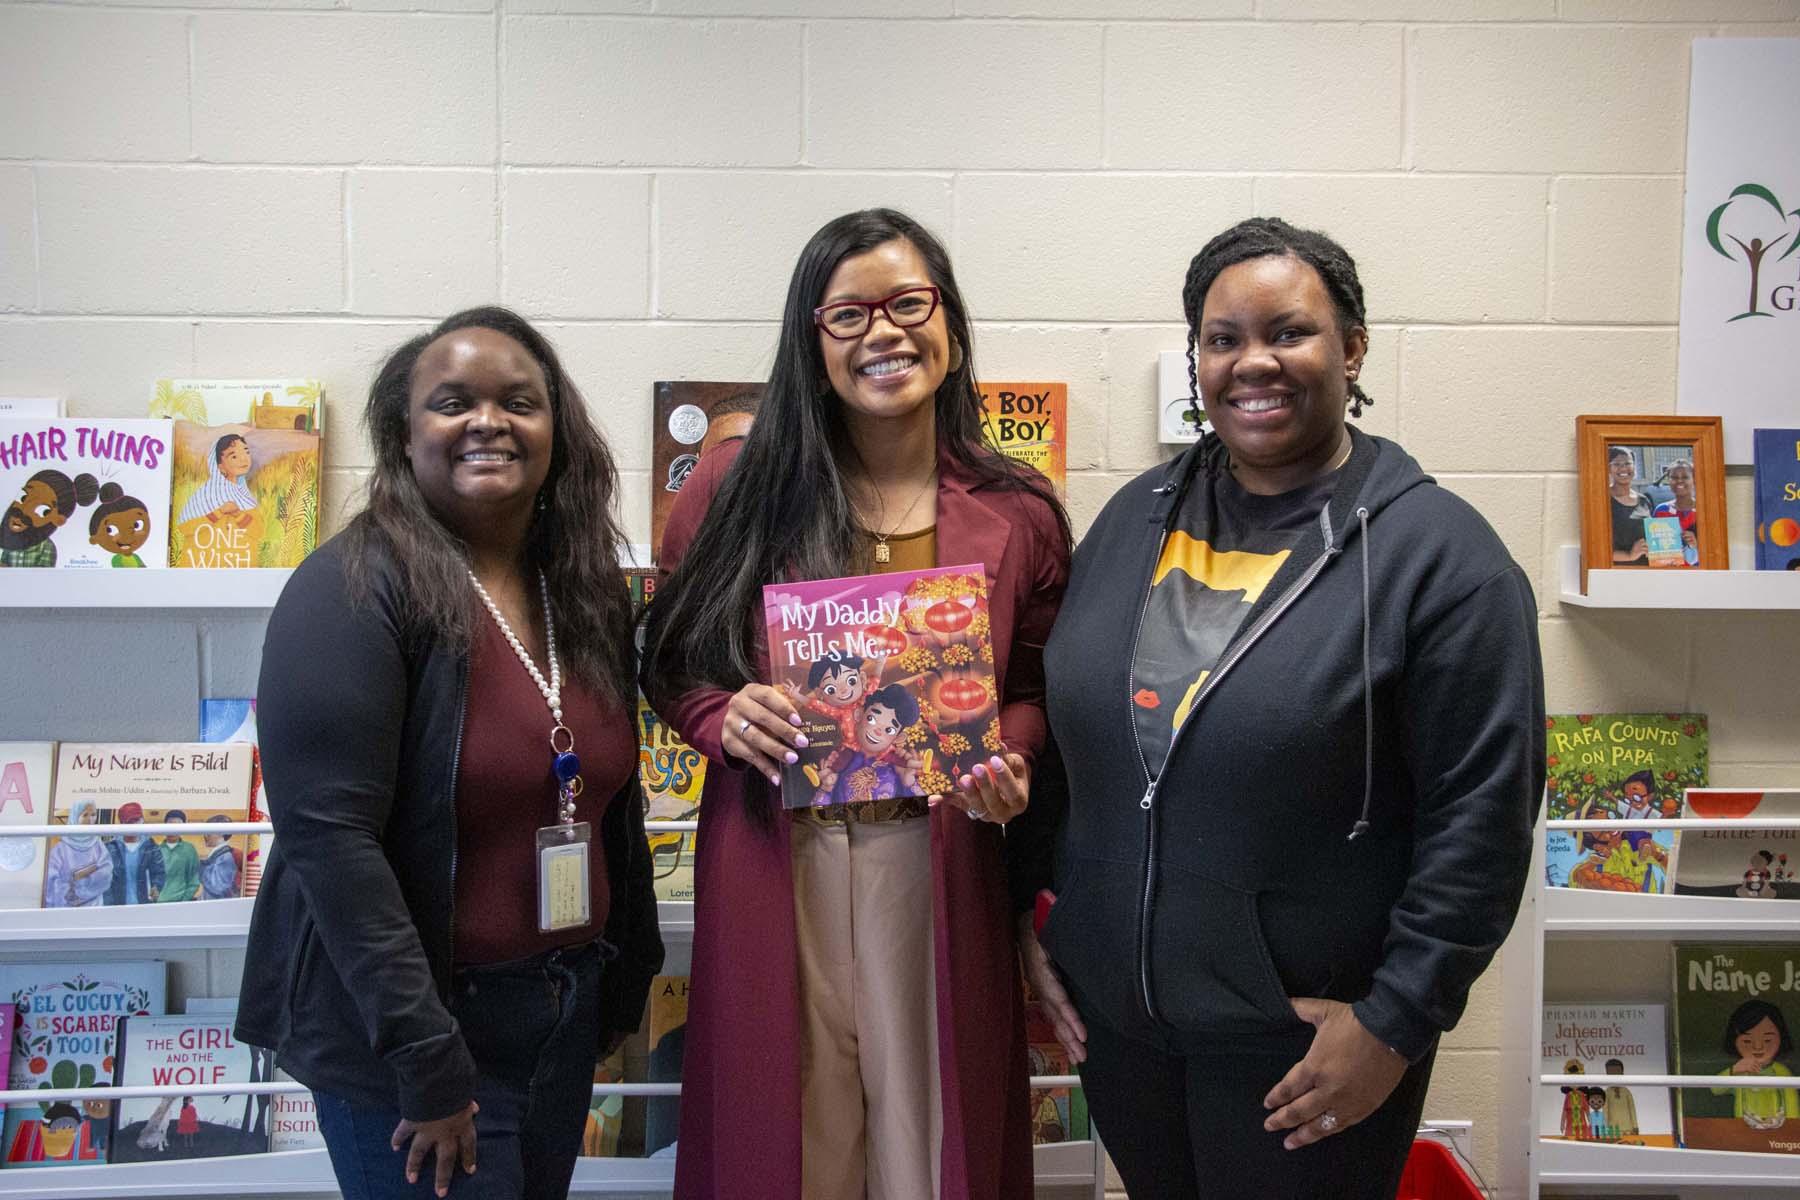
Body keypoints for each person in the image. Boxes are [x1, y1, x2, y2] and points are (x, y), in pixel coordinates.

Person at [1014, 217, 1544, 1198]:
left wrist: (1395, 1022)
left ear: (1351, 348)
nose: (1253, 361)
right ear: (1197, 360)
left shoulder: (1441, 560)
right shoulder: (1136, 519)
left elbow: (1484, 817)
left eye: (1288, 332)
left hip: (1305, 1045)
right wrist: (1037, 921)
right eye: (1223, 338)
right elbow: (1065, 744)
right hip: (1123, 1033)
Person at [640, 208, 1070, 1200]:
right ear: (812, 340)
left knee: (931, 1145)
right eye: (848, 316)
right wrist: (720, 716)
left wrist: (1010, 761)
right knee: (792, 1141)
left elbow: (1037, 689)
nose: (884, 333)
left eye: (908, 303)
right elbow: (672, 659)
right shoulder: (735, 486)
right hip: (775, 852)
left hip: (940, 856)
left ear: (949, 324)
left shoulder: (1017, 507)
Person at [235, 307, 663, 1200]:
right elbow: (331, 843)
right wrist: (426, 1060)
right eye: (453, 402)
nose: (489, 422)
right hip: (419, 1040)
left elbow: (610, 801)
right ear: (403, 432)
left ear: (559, 430)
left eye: (520, 401)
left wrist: (621, 983)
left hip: (559, 1017)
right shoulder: (351, 588)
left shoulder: (583, 590)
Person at [43, 797, 111, 908]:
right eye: (85, 815)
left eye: (93, 815)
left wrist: (80, 882)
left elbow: (106, 873)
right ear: (75, 816)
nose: (90, 820)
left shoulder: (98, 845)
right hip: (67, 908)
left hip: (94, 906)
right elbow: (51, 881)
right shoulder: (60, 850)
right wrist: (71, 887)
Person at [104, 801, 165, 905]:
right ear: (122, 824)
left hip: (144, 906)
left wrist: (156, 887)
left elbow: (159, 873)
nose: (134, 825)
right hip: (117, 907)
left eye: (136, 820)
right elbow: (105, 880)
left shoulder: (152, 848)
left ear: (142, 820)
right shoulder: (111, 849)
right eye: (129, 822)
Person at [1607, 446, 1652, 565]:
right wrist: (1629, 556)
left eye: (1628, 463)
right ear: (1609, 469)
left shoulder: (1644, 500)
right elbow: (1595, 547)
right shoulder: (1602, 500)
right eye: (1616, 464)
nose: (1623, 468)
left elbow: (1653, 536)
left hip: (1646, 571)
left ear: (1634, 467)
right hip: (1618, 573)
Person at [1652, 459, 1699, 566]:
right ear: (1668, 481)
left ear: (1694, 479)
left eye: (1685, 477)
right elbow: (1656, 549)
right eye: (1674, 477)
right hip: (1669, 572)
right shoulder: (1661, 510)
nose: (1679, 481)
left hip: (1698, 574)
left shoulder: (1704, 511)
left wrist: (1696, 544)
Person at [157, 810, 202, 903]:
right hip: (157, 903)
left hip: (181, 903)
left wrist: (184, 900)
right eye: (170, 825)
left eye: (177, 826)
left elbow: (194, 880)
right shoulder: (156, 850)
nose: (173, 829)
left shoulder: (189, 849)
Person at [198, 815, 240, 900]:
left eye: (208, 831)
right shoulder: (218, 855)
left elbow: (217, 888)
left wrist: (199, 868)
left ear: (221, 833)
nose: (205, 835)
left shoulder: (225, 857)